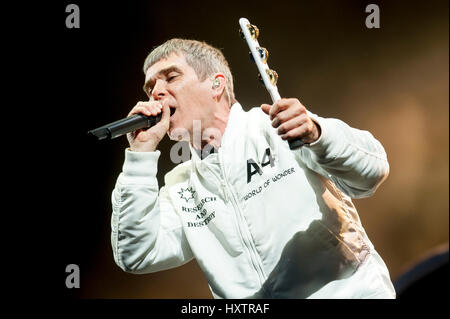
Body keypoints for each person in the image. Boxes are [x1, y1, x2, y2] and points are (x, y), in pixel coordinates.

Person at [110, 38, 396, 299]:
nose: (157, 92)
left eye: (171, 77)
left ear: (216, 84)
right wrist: (140, 155)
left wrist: (318, 133)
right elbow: (137, 255)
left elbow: (371, 172)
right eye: (150, 88)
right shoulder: (183, 187)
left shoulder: (277, 128)